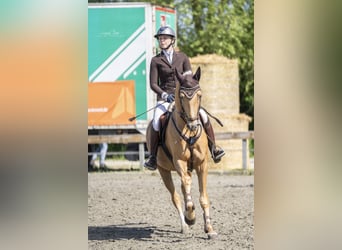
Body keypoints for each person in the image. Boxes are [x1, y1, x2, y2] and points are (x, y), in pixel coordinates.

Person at [144, 26, 225, 171]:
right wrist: (164, 95)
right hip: (165, 98)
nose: (161, 41)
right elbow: (153, 84)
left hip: (184, 97)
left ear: (172, 40)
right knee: (156, 121)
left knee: (204, 116)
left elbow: (189, 79)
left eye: (164, 38)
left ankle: (214, 148)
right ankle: (152, 157)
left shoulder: (182, 57)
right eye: (160, 39)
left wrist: (185, 93)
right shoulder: (155, 60)